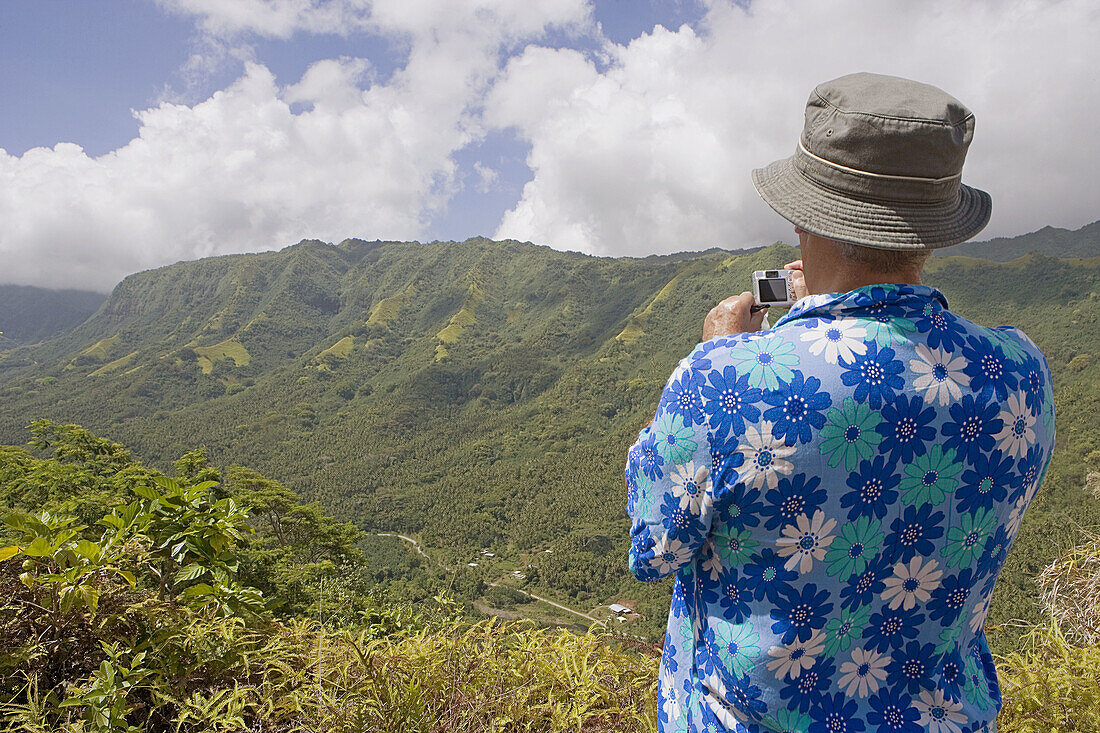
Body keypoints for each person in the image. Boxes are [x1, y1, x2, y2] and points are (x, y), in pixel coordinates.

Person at [625, 72, 1056, 733]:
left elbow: (655, 547)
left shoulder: (724, 382)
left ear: (804, 216)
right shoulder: (1021, 371)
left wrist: (721, 357)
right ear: (934, 232)